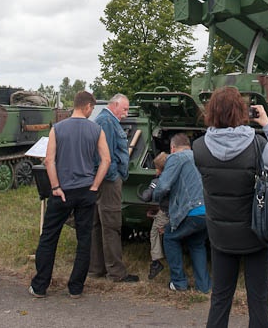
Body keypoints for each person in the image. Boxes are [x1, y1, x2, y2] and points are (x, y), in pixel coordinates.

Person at [192, 86, 268, 328]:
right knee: (258, 300)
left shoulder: (199, 148)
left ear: (211, 112)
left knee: (220, 298)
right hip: (255, 233)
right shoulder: (256, 145)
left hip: (220, 236)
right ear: (241, 112)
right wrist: (267, 125)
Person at [29, 91, 110, 299]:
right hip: (86, 190)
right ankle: (76, 287)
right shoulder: (97, 129)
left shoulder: (58, 128)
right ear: (88, 107)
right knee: (84, 239)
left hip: (62, 190)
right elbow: (106, 160)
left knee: (49, 237)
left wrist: (55, 187)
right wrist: (95, 186)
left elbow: (49, 160)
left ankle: (40, 286)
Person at [152, 133, 210, 293]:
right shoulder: (199, 157)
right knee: (197, 244)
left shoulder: (176, 158)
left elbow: (163, 186)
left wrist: (154, 195)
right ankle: (203, 287)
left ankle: (178, 282)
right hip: (208, 212)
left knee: (170, 237)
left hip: (192, 211)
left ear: (172, 148)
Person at [89, 93, 138, 283]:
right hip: (108, 181)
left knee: (98, 225)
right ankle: (116, 273)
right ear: (115, 105)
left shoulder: (103, 120)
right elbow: (105, 155)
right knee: (111, 225)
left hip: (101, 179)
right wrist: (114, 176)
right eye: (124, 109)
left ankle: (96, 268)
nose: (126, 114)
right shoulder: (107, 122)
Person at [138, 151, 170, 280]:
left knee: (155, 232)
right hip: (180, 210)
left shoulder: (159, 180)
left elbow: (146, 197)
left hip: (167, 213)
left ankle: (156, 261)